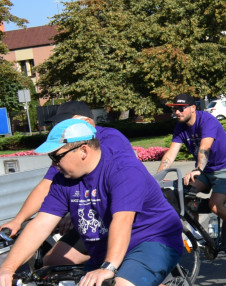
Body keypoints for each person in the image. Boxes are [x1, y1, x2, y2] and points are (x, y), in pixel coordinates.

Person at [0, 120, 184, 286]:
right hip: (106, 245)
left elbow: (122, 220)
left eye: (56, 156)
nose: (53, 164)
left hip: (152, 239)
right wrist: (8, 267)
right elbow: (42, 223)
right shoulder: (65, 180)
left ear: (83, 151)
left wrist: (108, 267)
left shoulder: (122, 169)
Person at [1, 101, 139, 239]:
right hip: (88, 217)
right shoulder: (67, 147)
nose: (61, 128)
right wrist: (17, 221)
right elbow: (46, 185)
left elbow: (117, 186)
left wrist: (75, 213)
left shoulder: (111, 139)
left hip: (121, 222)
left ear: (87, 122)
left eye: (66, 123)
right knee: (51, 259)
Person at [155, 94, 226, 255]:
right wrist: (156, 180)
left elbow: (205, 147)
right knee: (181, 193)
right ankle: (196, 234)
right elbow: (170, 156)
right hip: (205, 170)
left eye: (181, 109)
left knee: (215, 204)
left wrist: (198, 169)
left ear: (193, 108)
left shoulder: (207, 121)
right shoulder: (180, 127)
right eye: (175, 109)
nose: (178, 112)